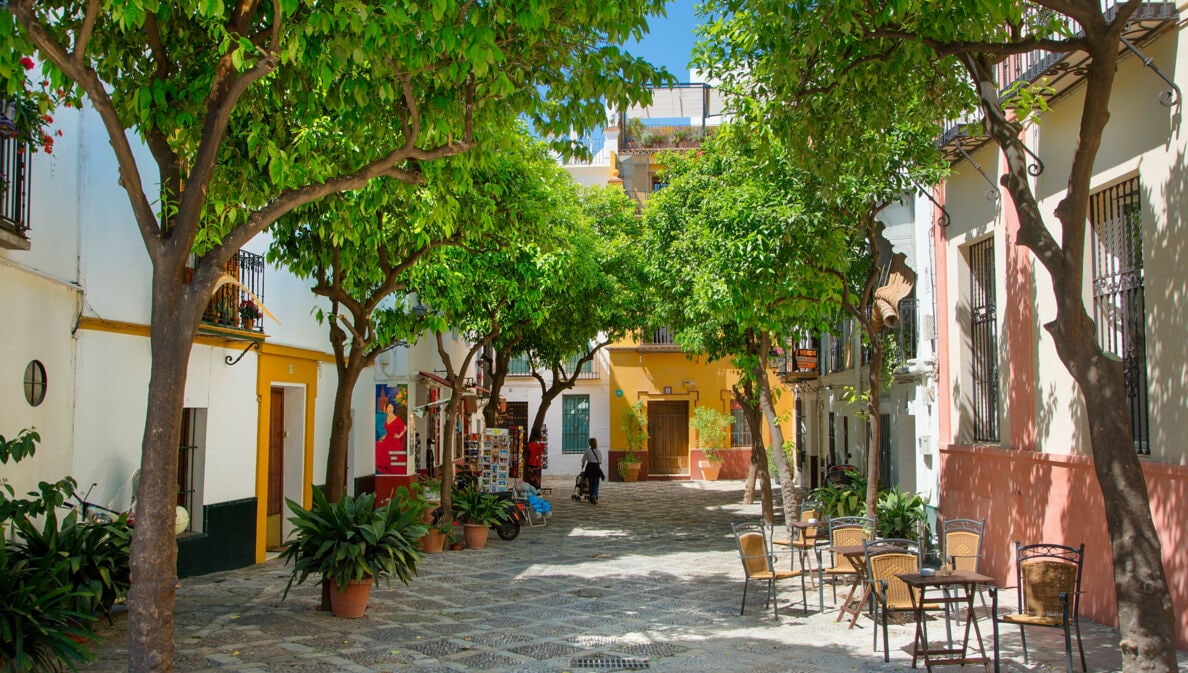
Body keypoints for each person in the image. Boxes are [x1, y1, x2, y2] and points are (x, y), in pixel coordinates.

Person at [375, 401, 407, 474]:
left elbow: (404, 427)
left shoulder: (396, 418)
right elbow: (388, 431)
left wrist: (399, 435)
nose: (390, 408)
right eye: (388, 407)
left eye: (391, 407)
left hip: (394, 441)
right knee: (377, 446)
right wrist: (383, 437)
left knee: (391, 455)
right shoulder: (386, 418)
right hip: (388, 438)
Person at [580, 437, 605, 505]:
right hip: (596, 467)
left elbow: (584, 459)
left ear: (590, 443)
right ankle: (595, 495)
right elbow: (600, 460)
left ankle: (591, 497)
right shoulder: (598, 451)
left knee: (590, 483)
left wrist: (582, 465)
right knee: (596, 482)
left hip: (590, 467)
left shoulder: (587, 450)